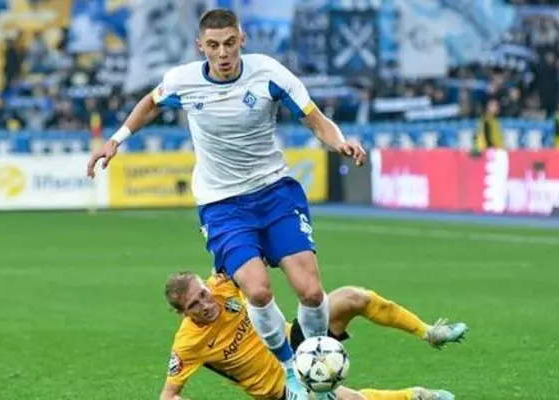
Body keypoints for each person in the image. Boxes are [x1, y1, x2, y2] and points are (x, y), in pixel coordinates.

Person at [86, 9, 366, 399]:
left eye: (230, 43)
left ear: (242, 40)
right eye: (214, 45)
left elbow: (314, 117)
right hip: (222, 204)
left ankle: (315, 363)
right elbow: (150, 102)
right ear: (200, 46)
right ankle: (291, 371)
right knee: (258, 291)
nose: (223, 53)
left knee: (312, 292)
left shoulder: (269, 73)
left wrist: (340, 141)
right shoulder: (183, 80)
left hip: (274, 192)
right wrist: (116, 140)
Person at [159, 272, 468, 400]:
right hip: (282, 391)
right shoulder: (187, 345)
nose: (206, 304)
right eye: (194, 305)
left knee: (353, 297)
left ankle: (430, 332)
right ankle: (416, 395)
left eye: (203, 294)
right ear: (182, 313)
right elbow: (168, 395)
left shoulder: (222, 285)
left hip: (297, 345)